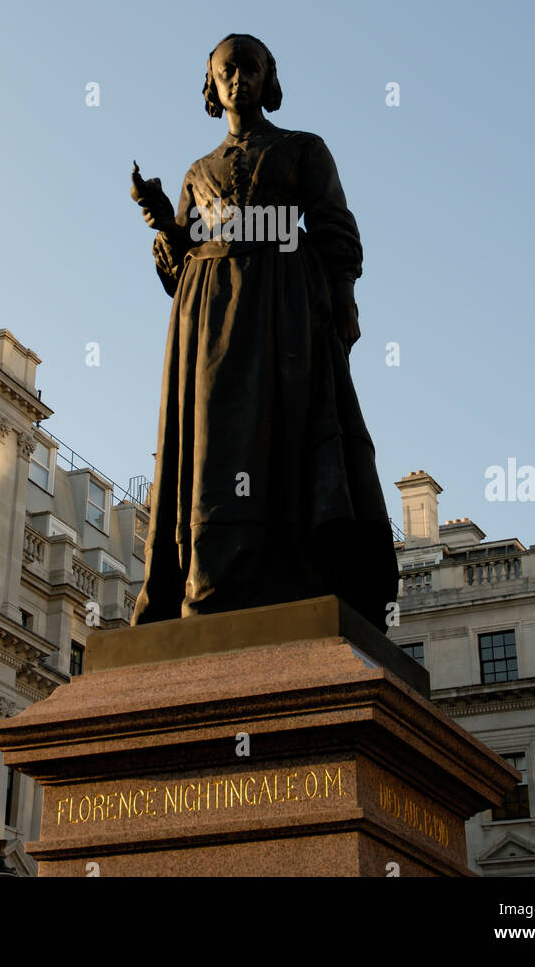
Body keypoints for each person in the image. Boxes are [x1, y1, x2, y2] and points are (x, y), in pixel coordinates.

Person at [129, 33, 398, 631]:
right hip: (209, 316)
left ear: (268, 78)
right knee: (213, 442)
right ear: (211, 83)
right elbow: (180, 262)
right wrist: (161, 223)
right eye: (226, 70)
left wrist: (343, 309)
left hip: (285, 308)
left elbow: (334, 228)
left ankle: (298, 572)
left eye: (249, 68)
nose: (237, 79)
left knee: (284, 431)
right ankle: (209, 578)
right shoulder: (198, 171)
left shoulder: (304, 149)